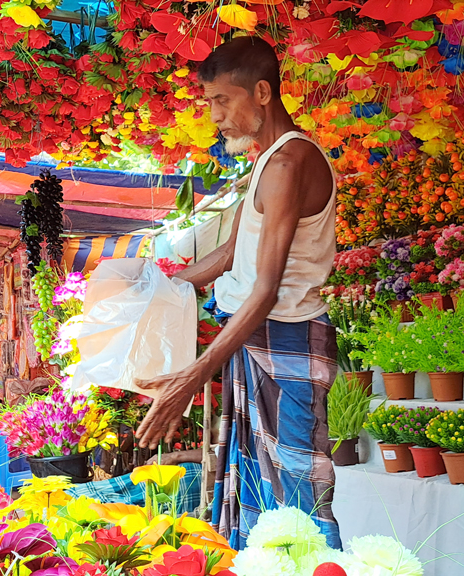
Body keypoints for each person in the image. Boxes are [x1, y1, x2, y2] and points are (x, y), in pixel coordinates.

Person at [133, 37, 340, 550]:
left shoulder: (291, 163)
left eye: (221, 101)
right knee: (257, 495)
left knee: (300, 498)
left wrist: (193, 373)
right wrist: (158, 288)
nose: (214, 117)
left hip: (287, 338)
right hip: (255, 341)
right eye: (209, 103)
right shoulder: (267, 160)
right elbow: (230, 254)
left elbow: (266, 290)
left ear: (262, 92)